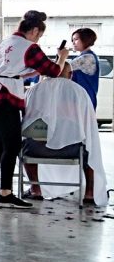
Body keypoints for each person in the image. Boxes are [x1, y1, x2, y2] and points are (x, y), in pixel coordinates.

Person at [0, 10, 69, 209]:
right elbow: (53, 71)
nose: (38, 39)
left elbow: (7, 71)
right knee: (11, 146)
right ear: (35, 30)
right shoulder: (29, 47)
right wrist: (61, 57)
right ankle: (6, 194)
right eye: (39, 35)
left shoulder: (1, 44)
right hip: (6, 97)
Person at [19, 77, 106, 206]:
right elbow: (89, 126)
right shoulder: (78, 91)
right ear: (70, 74)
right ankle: (89, 193)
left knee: (26, 141)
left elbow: (25, 120)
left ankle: (35, 189)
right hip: (72, 150)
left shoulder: (33, 91)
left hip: (35, 149)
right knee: (89, 148)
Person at [68, 27, 100, 109]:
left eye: (76, 39)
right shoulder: (85, 56)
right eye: (72, 40)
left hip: (83, 99)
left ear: (86, 39)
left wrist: (61, 55)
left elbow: (62, 68)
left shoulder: (87, 57)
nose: (73, 42)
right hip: (82, 98)